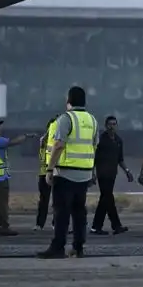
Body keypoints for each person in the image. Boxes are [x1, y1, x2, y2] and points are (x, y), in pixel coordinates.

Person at [37, 86, 98, 259]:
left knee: (61, 212)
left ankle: (58, 247)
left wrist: (50, 168)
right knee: (79, 212)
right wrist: (92, 171)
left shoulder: (66, 119)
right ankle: (78, 247)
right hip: (84, 173)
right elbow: (94, 147)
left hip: (65, 173)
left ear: (68, 101)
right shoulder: (92, 120)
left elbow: (59, 145)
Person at [91, 115, 133, 235]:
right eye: (110, 124)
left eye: (114, 124)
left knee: (105, 199)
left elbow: (120, 159)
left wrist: (127, 171)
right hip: (102, 174)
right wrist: (92, 173)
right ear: (106, 125)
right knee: (107, 197)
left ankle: (99, 226)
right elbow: (93, 157)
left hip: (112, 174)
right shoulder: (101, 140)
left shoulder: (118, 141)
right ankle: (113, 225)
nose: (112, 126)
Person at [35, 116, 58, 231]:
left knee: (57, 201)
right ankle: (40, 224)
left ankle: (55, 222)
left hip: (56, 173)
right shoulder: (44, 140)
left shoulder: (58, 140)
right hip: (45, 173)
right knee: (44, 200)